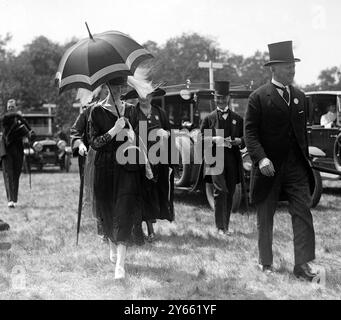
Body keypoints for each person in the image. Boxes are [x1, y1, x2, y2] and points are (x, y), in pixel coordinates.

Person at [244, 41, 317, 281]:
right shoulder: (258, 97)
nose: (292, 71)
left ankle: (303, 265)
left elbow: (302, 133)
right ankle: (265, 262)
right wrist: (261, 159)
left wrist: (306, 159)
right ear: (273, 68)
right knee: (265, 216)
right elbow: (250, 134)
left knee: (303, 212)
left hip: (295, 167)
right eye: (287, 66)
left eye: (293, 66)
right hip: (269, 168)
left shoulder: (300, 97)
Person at [89, 77, 145, 279]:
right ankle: (111, 244)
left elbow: (140, 138)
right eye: (114, 87)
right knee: (107, 210)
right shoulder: (95, 111)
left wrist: (132, 136)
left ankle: (120, 265)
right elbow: (94, 143)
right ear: (106, 87)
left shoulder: (131, 110)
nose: (118, 91)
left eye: (121, 87)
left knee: (124, 212)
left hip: (126, 167)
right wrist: (114, 130)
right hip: (104, 168)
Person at [124, 79, 174, 242]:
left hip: (159, 161)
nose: (144, 97)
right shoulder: (132, 112)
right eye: (141, 94)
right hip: (139, 160)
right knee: (141, 194)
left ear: (152, 95)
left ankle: (151, 228)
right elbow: (129, 136)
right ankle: (145, 230)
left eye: (147, 94)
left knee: (156, 194)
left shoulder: (160, 113)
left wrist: (172, 160)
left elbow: (169, 134)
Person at [200, 81, 244, 236]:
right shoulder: (209, 119)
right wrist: (213, 139)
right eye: (218, 98)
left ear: (229, 98)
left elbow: (245, 138)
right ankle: (219, 227)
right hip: (215, 159)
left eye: (223, 98)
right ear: (214, 98)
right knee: (221, 191)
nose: (220, 101)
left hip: (232, 159)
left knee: (230, 191)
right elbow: (200, 139)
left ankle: (225, 226)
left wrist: (239, 141)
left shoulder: (238, 119)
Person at [70, 86, 106, 238]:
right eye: (106, 90)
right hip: (93, 159)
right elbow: (75, 132)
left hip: (116, 158)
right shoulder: (88, 111)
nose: (110, 93)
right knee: (97, 192)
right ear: (100, 92)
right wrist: (80, 144)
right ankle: (102, 227)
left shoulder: (120, 109)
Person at [1, 99, 32, 208]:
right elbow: (4, 119)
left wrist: (28, 136)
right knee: (8, 174)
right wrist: (18, 116)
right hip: (7, 150)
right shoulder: (5, 118)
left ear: (16, 107)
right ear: (7, 108)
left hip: (18, 150)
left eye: (12, 107)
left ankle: (14, 199)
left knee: (16, 175)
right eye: (9, 107)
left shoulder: (20, 119)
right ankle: (10, 200)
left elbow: (30, 131)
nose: (10, 109)